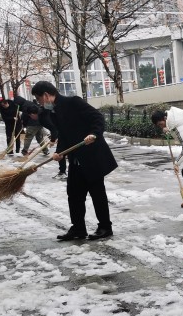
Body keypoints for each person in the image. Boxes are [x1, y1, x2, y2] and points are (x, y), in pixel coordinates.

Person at [31, 81, 118, 241]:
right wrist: (59, 153)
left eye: (38, 99)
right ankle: (78, 228)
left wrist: (95, 134)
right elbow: (64, 134)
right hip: (76, 159)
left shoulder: (73, 102)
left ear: (46, 95)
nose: (39, 103)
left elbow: (97, 117)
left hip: (93, 156)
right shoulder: (53, 112)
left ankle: (105, 227)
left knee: (97, 193)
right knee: (74, 194)